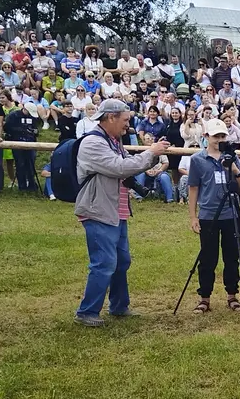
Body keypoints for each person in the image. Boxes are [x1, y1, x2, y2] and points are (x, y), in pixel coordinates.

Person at [73, 99, 170, 327]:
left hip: (116, 210)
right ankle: (86, 311)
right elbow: (120, 168)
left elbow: (130, 164)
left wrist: (154, 155)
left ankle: (119, 306)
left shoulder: (113, 141)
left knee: (121, 261)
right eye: (125, 120)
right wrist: (150, 152)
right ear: (111, 117)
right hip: (98, 210)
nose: (128, 125)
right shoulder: (92, 143)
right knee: (104, 262)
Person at [186, 119, 240, 314]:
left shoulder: (233, 158)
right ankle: (204, 298)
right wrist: (193, 216)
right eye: (216, 136)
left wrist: (233, 168)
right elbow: (193, 188)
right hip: (208, 214)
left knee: (232, 257)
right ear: (207, 137)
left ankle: (232, 295)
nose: (219, 140)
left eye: (223, 136)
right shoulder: (198, 159)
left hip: (231, 214)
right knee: (207, 258)